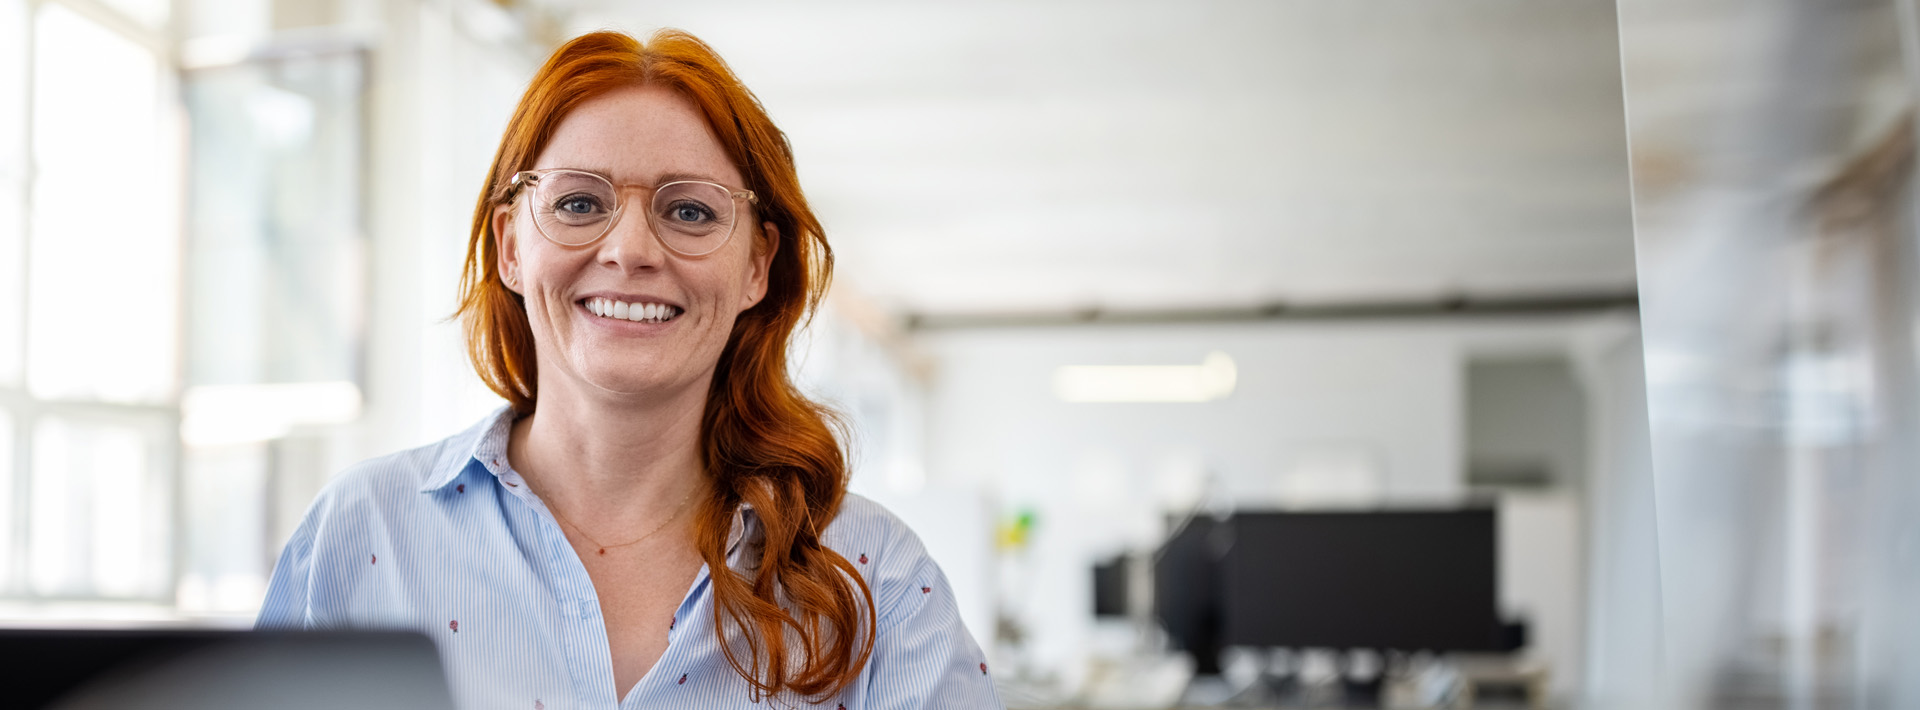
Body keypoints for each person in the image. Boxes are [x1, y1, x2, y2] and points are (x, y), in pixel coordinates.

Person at [258, 29, 1001, 710]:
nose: (630, 249)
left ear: (758, 266)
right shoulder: (363, 534)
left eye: (691, 213)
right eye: (580, 202)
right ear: (511, 246)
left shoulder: (878, 581)